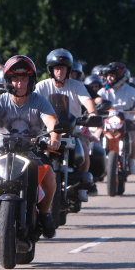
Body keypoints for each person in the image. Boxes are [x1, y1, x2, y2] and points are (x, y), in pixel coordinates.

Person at [0, 55, 61, 236]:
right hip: (0, 151)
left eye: (24, 78)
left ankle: (44, 213)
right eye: (15, 79)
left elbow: (52, 121)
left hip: (31, 151)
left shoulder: (39, 101)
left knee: (50, 177)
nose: (20, 83)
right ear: (8, 81)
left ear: (31, 80)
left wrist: (54, 138)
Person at [35, 48, 97, 194]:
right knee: (34, 153)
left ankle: (82, 184)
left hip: (73, 130)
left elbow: (87, 100)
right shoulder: (42, 86)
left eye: (63, 68)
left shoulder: (77, 86)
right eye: (56, 68)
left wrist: (92, 113)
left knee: (84, 148)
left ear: (68, 70)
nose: (60, 71)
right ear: (51, 70)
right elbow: (32, 101)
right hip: (47, 131)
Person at [97, 61, 135, 168]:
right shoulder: (103, 91)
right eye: (107, 76)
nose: (109, 78)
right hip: (107, 120)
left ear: (119, 76)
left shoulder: (130, 89)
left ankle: (131, 159)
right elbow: (94, 100)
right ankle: (97, 159)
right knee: (95, 136)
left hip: (127, 120)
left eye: (112, 75)